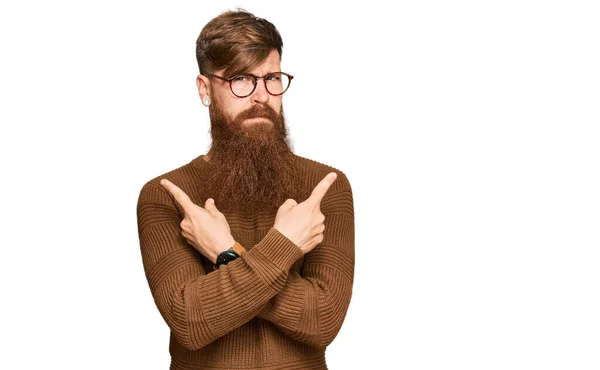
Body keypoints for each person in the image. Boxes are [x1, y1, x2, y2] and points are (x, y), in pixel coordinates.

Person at [136, 8, 355, 370]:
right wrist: (284, 246)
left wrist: (226, 252)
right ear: (205, 89)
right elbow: (190, 322)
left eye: (271, 78)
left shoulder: (324, 187)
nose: (261, 96)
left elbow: (323, 320)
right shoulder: (167, 195)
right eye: (240, 79)